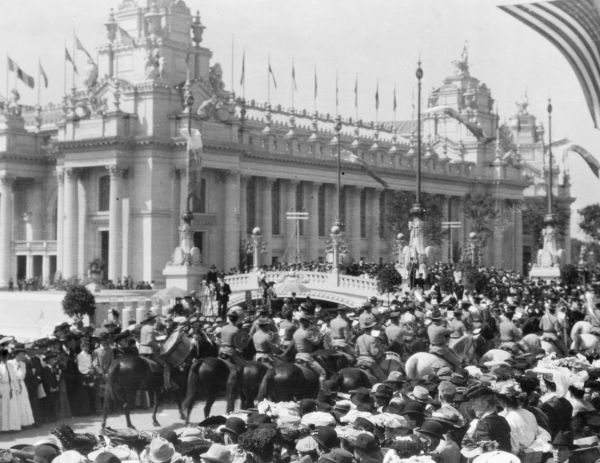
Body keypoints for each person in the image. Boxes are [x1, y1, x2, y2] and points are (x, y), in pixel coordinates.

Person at [461, 385, 512, 453]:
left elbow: (487, 452)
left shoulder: (483, 424)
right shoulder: (502, 419)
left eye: (474, 404)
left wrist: (467, 452)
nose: (472, 408)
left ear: (485, 404)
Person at [139, 313, 171, 390]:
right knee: (166, 365)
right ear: (150, 320)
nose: (155, 320)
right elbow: (149, 341)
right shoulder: (150, 328)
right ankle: (167, 385)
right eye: (153, 319)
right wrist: (158, 346)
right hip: (149, 351)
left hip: (141, 351)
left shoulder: (143, 328)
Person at [293, 312, 326, 384]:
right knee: (323, 373)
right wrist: (318, 334)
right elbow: (317, 342)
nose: (309, 323)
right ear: (304, 321)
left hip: (298, 356)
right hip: (307, 357)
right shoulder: (306, 333)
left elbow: (295, 346)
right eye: (307, 321)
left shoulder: (295, 333)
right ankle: (322, 392)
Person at [355, 313, 386, 381]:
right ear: (372, 327)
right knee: (383, 378)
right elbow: (374, 353)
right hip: (370, 361)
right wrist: (380, 352)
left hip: (359, 361)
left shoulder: (359, 338)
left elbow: (356, 352)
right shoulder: (372, 338)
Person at [8, 343, 34, 427]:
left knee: (23, 402)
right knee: (15, 404)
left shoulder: (23, 364)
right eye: (23, 354)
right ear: (18, 354)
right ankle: (15, 424)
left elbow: (22, 376)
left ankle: (23, 422)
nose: (24, 356)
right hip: (13, 385)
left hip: (21, 385)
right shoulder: (10, 363)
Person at [0, 348, 21, 431]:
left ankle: (13, 427)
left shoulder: (10, 365)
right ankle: (4, 428)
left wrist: (17, 388)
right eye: (3, 356)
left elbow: (14, 377)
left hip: (11, 387)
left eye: (7, 356)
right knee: (4, 407)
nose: (5, 357)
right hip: (3, 387)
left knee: (13, 407)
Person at [76, 338, 96, 414]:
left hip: (90, 374)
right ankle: (85, 411)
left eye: (87, 346)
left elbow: (91, 364)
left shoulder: (89, 355)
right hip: (83, 375)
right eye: (84, 346)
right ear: (81, 347)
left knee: (92, 392)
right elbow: (80, 367)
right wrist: (86, 372)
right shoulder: (79, 356)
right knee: (84, 394)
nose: (86, 348)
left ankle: (92, 409)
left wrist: (91, 370)